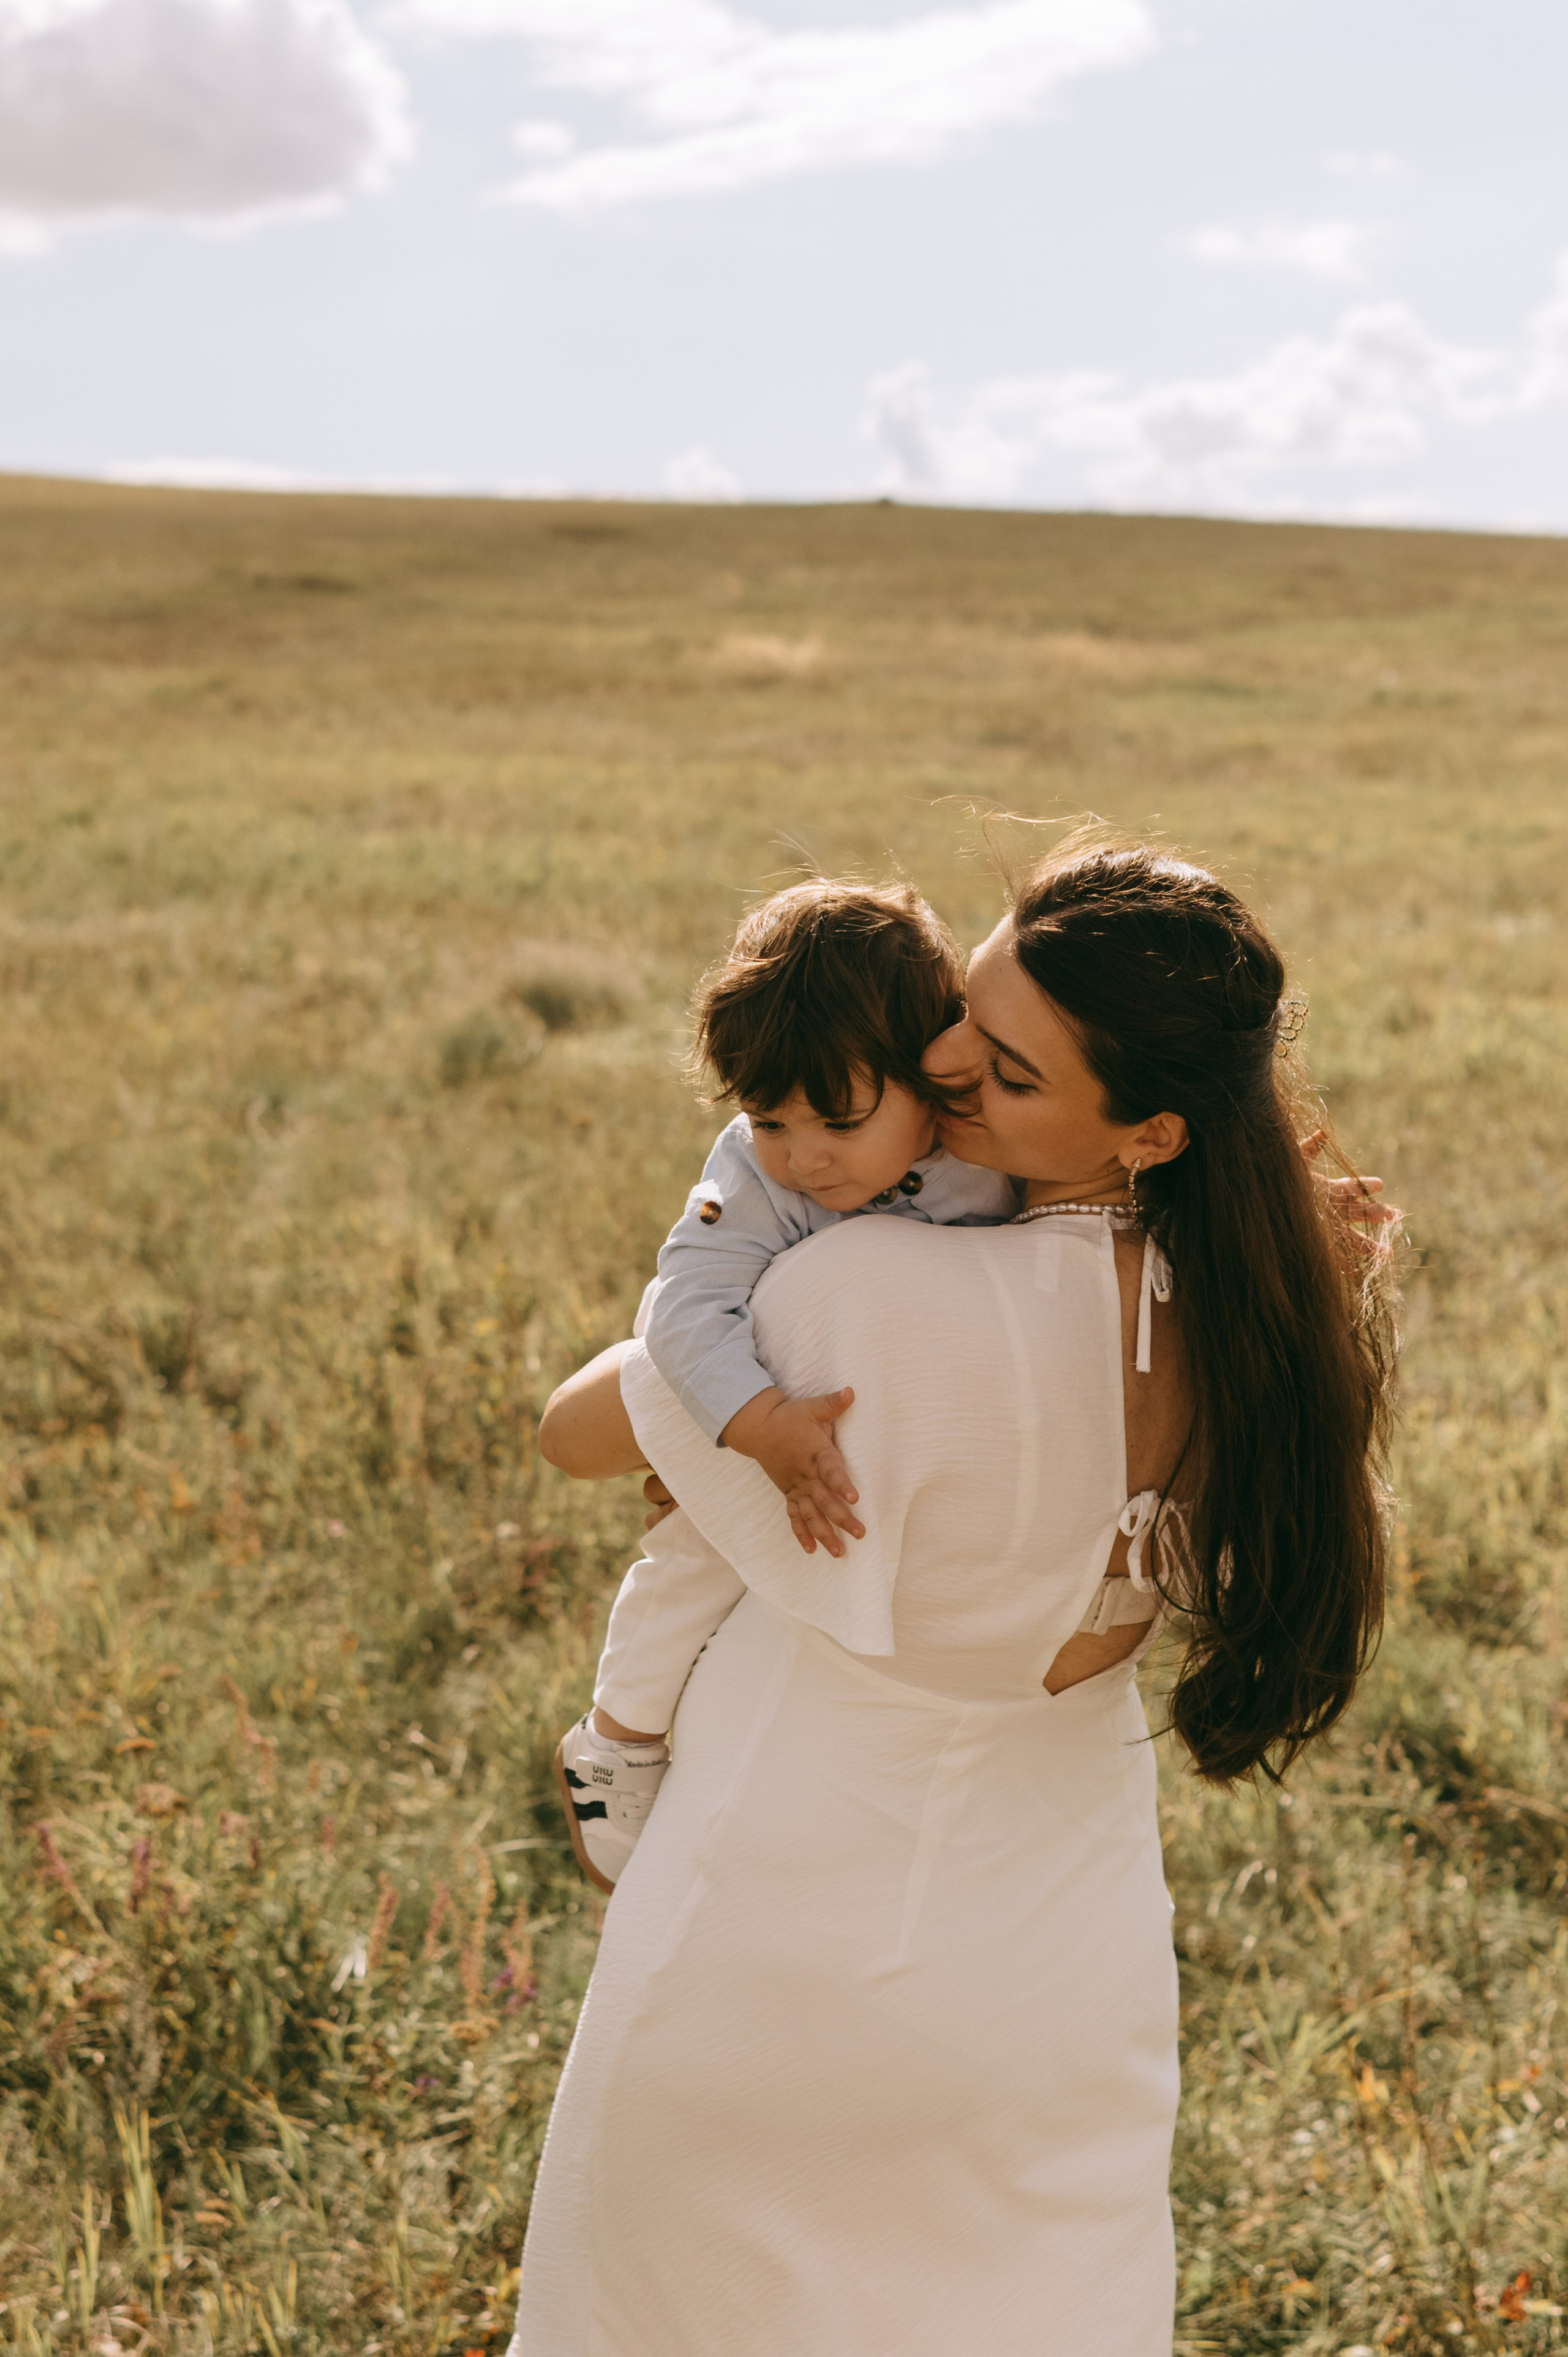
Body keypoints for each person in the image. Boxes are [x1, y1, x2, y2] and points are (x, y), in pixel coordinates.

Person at [510, 838, 1395, 2357]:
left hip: (778, 1929)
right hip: (1058, 1962)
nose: (942, 1070)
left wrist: (728, 1331)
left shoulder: (864, 1295)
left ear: (1155, 1124)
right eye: (957, 1019)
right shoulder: (1272, 1316)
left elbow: (580, 1430)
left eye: (1005, 1067)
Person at [549, 878, 1015, 1891]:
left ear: (931, 1073)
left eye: (838, 1123)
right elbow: (684, 1304)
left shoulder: (990, 1151)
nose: (801, 1156)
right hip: (762, 1418)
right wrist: (754, 1425)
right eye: (768, 1119)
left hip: (901, 1464)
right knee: (694, 1556)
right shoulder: (753, 1178)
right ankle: (617, 1741)